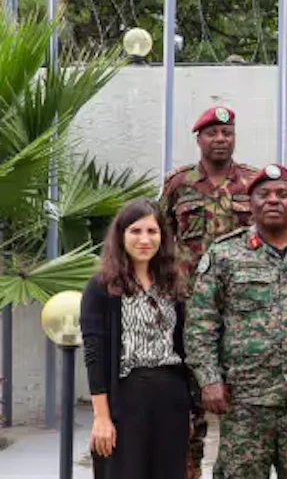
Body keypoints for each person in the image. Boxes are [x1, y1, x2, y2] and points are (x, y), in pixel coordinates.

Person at [185, 164, 287, 479]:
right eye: (264, 194)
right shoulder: (225, 253)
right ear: (250, 203)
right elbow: (201, 323)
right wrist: (209, 379)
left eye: (282, 194)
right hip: (245, 402)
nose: (273, 200)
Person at [159, 105, 258, 479]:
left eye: (227, 132)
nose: (221, 139)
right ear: (198, 138)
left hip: (244, 313)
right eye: (212, 133)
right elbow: (160, 239)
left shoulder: (253, 182)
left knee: (242, 405)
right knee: (188, 406)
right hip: (188, 312)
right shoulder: (178, 185)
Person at [81, 199, 190, 479]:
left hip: (171, 397)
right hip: (126, 398)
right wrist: (102, 417)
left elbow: (183, 345)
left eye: (152, 232)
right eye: (136, 231)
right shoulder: (102, 287)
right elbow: (95, 354)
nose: (145, 239)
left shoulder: (172, 284)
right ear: (121, 236)